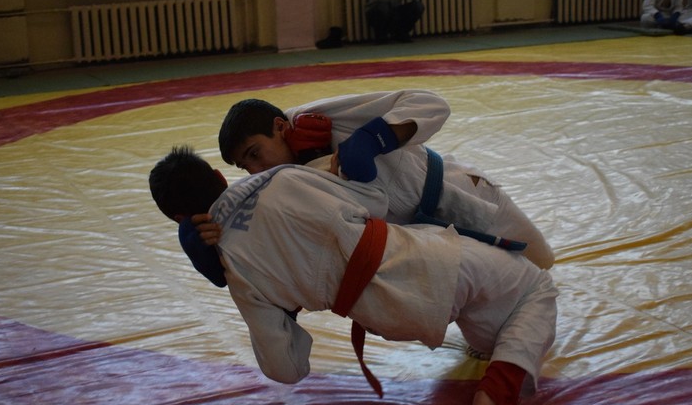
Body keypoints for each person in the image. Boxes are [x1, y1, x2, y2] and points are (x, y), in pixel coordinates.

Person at [149, 146, 559, 405]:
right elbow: (377, 200)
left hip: (384, 317)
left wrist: (290, 304)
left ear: (178, 219)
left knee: (497, 326)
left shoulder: (234, 270)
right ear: (220, 177)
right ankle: (498, 394)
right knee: (535, 287)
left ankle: (497, 364)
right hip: (423, 261)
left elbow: (285, 369)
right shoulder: (283, 178)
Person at [209, 90, 555, 272]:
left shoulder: (319, 118)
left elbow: (431, 103)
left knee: (541, 263)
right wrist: (210, 231)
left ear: (280, 126)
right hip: (427, 242)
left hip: (462, 195)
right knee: (490, 315)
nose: (256, 170)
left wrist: (375, 138)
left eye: (255, 153)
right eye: (245, 166)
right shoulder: (276, 186)